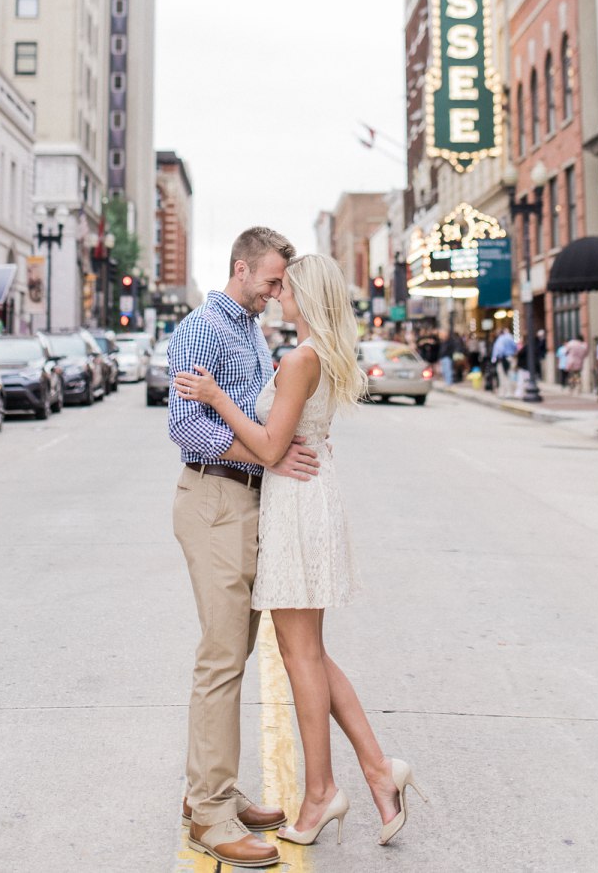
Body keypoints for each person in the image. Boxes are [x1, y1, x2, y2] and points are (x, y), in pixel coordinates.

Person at [175, 254, 427, 854]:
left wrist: (213, 393)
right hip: (302, 499)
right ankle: (375, 769)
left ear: (306, 297)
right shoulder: (316, 353)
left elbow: (268, 443)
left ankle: (322, 792)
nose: (278, 292)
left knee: (300, 654)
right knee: (306, 651)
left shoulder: (297, 358)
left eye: (286, 286)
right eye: (274, 282)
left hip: (294, 504)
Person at [168, 226, 319, 870]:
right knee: (223, 657)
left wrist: (273, 454)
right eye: (271, 280)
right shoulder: (203, 328)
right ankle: (209, 813)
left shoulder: (250, 329)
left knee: (238, 648)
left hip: (247, 497)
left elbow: (261, 420)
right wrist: (268, 454)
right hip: (215, 498)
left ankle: (214, 789)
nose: (277, 291)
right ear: (241, 268)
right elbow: (185, 426)